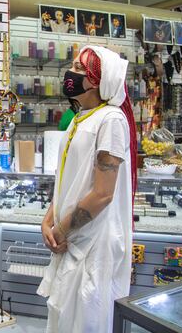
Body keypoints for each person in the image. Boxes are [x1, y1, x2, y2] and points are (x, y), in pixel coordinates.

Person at [37, 46, 137, 333]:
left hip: (94, 244)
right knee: (63, 319)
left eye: (79, 68)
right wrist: (48, 221)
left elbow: (103, 193)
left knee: (87, 320)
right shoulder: (81, 117)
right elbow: (70, 178)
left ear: (96, 79)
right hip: (70, 238)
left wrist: (61, 230)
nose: (71, 73)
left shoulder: (111, 121)